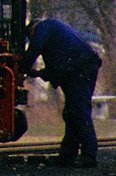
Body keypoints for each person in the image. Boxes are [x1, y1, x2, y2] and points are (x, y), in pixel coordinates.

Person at [20, 18, 102, 168]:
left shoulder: (43, 27)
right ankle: (67, 157)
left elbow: (36, 47)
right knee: (72, 113)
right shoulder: (56, 32)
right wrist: (38, 73)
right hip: (83, 66)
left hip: (80, 68)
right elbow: (57, 68)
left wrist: (22, 67)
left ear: (32, 29)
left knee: (79, 111)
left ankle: (89, 156)